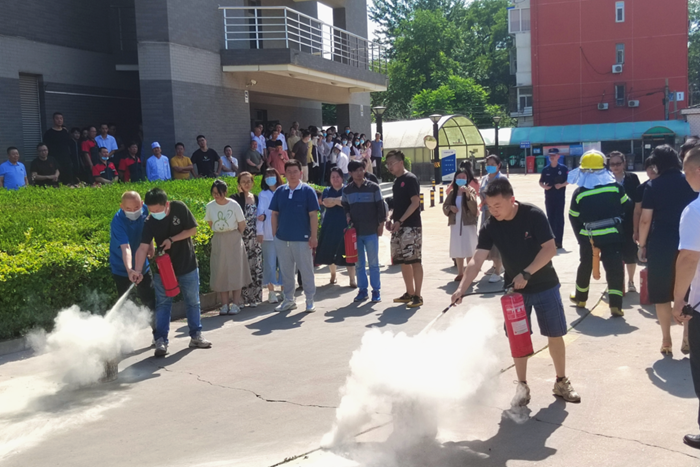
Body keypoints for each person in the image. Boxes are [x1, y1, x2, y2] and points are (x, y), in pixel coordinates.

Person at [452, 177, 581, 405]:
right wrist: (462, 288)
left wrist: (527, 273)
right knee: (518, 338)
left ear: (512, 200)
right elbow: (477, 259)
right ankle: (522, 386)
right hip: (515, 294)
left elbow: (550, 249)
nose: (493, 211)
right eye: (489, 206)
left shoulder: (533, 215)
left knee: (555, 334)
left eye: (497, 206)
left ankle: (561, 381)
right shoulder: (491, 226)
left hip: (545, 285)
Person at [132, 187, 212, 357]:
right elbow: (143, 248)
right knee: (163, 303)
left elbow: (192, 230)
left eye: (157, 210)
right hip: (164, 269)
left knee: (193, 301)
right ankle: (161, 340)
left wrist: (171, 240)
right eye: (151, 211)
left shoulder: (179, 208)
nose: (155, 214)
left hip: (187, 264)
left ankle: (196, 335)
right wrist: (137, 270)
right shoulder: (149, 222)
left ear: (166, 204)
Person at [639, 145, 698, 355]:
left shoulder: (652, 186)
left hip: (661, 244)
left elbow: (645, 220)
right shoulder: (689, 182)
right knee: (688, 292)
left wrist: (642, 245)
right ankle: (687, 337)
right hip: (689, 242)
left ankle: (666, 340)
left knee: (661, 294)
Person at [568, 150, 629, 316]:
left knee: (585, 265)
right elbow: (627, 206)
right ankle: (616, 305)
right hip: (612, 235)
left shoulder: (580, 193)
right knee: (615, 269)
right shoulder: (616, 188)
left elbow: (573, 216)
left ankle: (581, 298)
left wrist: (581, 238)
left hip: (589, 237)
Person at [671, 146, 700, 449]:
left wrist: (679, 299)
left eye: (686, 171)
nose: (685, 177)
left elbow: (689, 257)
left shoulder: (695, 210)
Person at [269, 159, 320, 313]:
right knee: (286, 271)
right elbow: (274, 214)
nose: (292, 175)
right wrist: (274, 235)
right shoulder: (280, 191)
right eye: (289, 172)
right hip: (282, 239)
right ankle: (289, 299)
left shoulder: (308, 191)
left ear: (301, 173)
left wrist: (313, 236)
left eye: (295, 171)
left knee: (306, 270)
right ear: (284, 174)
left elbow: (313, 215)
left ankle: (309, 299)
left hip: (302, 239)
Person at [204, 179, 250, 316]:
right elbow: (210, 223)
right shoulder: (210, 206)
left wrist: (234, 235)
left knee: (236, 270)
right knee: (221, 270)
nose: (216, 196)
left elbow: (242, 224)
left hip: (233, 237)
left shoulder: (234, 205)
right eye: (214, 193)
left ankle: (235, 303)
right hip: (219, 238)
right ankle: (224, 305)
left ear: (225, 192)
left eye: (219, 193)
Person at [342, 161, 387, 302]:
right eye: (356, 170)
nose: (359, 173)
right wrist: (348, 216)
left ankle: (376, 291)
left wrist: (381, 225)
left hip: (371, 231)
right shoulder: (347, 190)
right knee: (359, 264)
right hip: (356, 233)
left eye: (361, 169)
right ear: (350, 173)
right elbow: (345, 206)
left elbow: (381, 207)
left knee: (373, 263)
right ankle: (362, 290)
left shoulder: (373, 187)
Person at [385, 150, 424, 308]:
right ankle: (409, 292)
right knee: (403, 261)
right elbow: (399, 205)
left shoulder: (410, 179)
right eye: (387, 164)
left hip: (411, 227)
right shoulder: (397, 182)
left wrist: (401, 220)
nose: (389, 167)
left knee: (414, 260)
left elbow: (415, 203)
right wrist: (391, 219)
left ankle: (418, 295)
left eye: (392, 163)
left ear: (401, 163)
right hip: (399, 227)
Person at [110, 191, 156, 316]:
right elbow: (126, 248)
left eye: (136, 208)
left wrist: (150, 245)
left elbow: (147, 228)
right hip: (121, 267)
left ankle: (157, 328)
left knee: (150, 300)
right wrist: (130, 270)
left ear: (141, 204)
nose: (133, 211)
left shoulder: (145, 209)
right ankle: (127, 328)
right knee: (126, 305)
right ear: (121, 207)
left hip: (142, 263)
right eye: (128, 209)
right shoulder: (117, 221)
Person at [316, 168, 357, 288]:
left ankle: (352, 279)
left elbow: (347, 202)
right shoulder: (327, 190)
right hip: (330, 224)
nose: (335, 179)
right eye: (332, 177)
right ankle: (333, 275)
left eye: (337, 176)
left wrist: (334, 201)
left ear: (342, 177)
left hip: (345, 224)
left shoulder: (347, 189)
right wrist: (339, 201)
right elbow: (326, 202)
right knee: (330, 251)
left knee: (348, 252)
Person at [608, 151, 640, 292]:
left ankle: (631, 281)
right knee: (612, 255)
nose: (615, 167)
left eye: (618, 163)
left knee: (630, 253)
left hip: (629, 221)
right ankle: (615, 282)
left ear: (624, 163)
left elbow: (638, 201)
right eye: (612, 164)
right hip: (611, 223)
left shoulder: (632, 178)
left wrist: (637, 226)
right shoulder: (605, 179)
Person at [232, 172, 263, 307]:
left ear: (252, 183)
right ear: (239, 184)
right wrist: (240, 195)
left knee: (255, 266)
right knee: (242, 267)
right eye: (243, 181)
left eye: (248, 181)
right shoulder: (235, 198)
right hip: (241, 237)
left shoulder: (256, 198)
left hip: (255, 237)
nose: (246, 184)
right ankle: (241, 299)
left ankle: (254, 297)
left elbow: (262, 214)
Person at [443, 169, 479, 282]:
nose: (461, 179)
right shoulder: (452, 193)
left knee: (469, 248)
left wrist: (467, 194)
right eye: (459, 177)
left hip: (468, 223)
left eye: (463, 177)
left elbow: (474, 208)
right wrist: (450, 208)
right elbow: (445, 206)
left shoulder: (471, 191)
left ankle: (469, 273)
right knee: (458, 247)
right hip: (456, 224)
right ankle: (460, 273)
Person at [257, 168, 284, 304]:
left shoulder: (284, 191)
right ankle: (271, 291)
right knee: (269, 263)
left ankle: (284, 290)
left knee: (284, 263)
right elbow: (260, 214)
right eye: (267, 175)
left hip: (284, 233)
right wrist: (259, 232)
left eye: (272, 175)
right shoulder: (263, 194)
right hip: (268, 234)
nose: (269, 177)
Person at [480, 155, 505, 283]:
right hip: (486, 213)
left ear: (498, 165)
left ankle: (498, 270)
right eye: (488, 164)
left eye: (492, 164)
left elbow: (505, 196)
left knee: (497, 241)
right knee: (487, 240)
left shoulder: (502, 179)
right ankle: (495, 265)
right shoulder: (484, 179)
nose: (490, 166)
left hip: (497, 214)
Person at [539, 148, 568, 249]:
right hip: (549, 197)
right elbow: (540, 181)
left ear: (558, 156)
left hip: (560, 197)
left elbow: (568, 180)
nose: (552, 157)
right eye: (550, 155)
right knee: (550, 218)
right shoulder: (545, 169)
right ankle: (551, 241)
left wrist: (561, 185)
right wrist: (544, 186)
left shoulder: (563, 168)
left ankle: (559, 242)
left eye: (554, 155)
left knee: (559, 219)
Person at [42, 112, 75, 185]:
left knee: (68, 181)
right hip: (54, 160)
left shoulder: (65, 132)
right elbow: (46, 147)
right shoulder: (49, 133)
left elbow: (69, 145)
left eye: (61, 118)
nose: (59, 120)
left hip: (66, 160)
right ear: (53, 120)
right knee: (56, 181)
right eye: (57, 118)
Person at [633, 156, 658, 243]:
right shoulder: (641, 188)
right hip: (646, 228)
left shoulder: (665, 186)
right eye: (650, 167)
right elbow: (637, 212)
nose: (653, 170)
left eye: (655, 167)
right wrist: (636, 231)